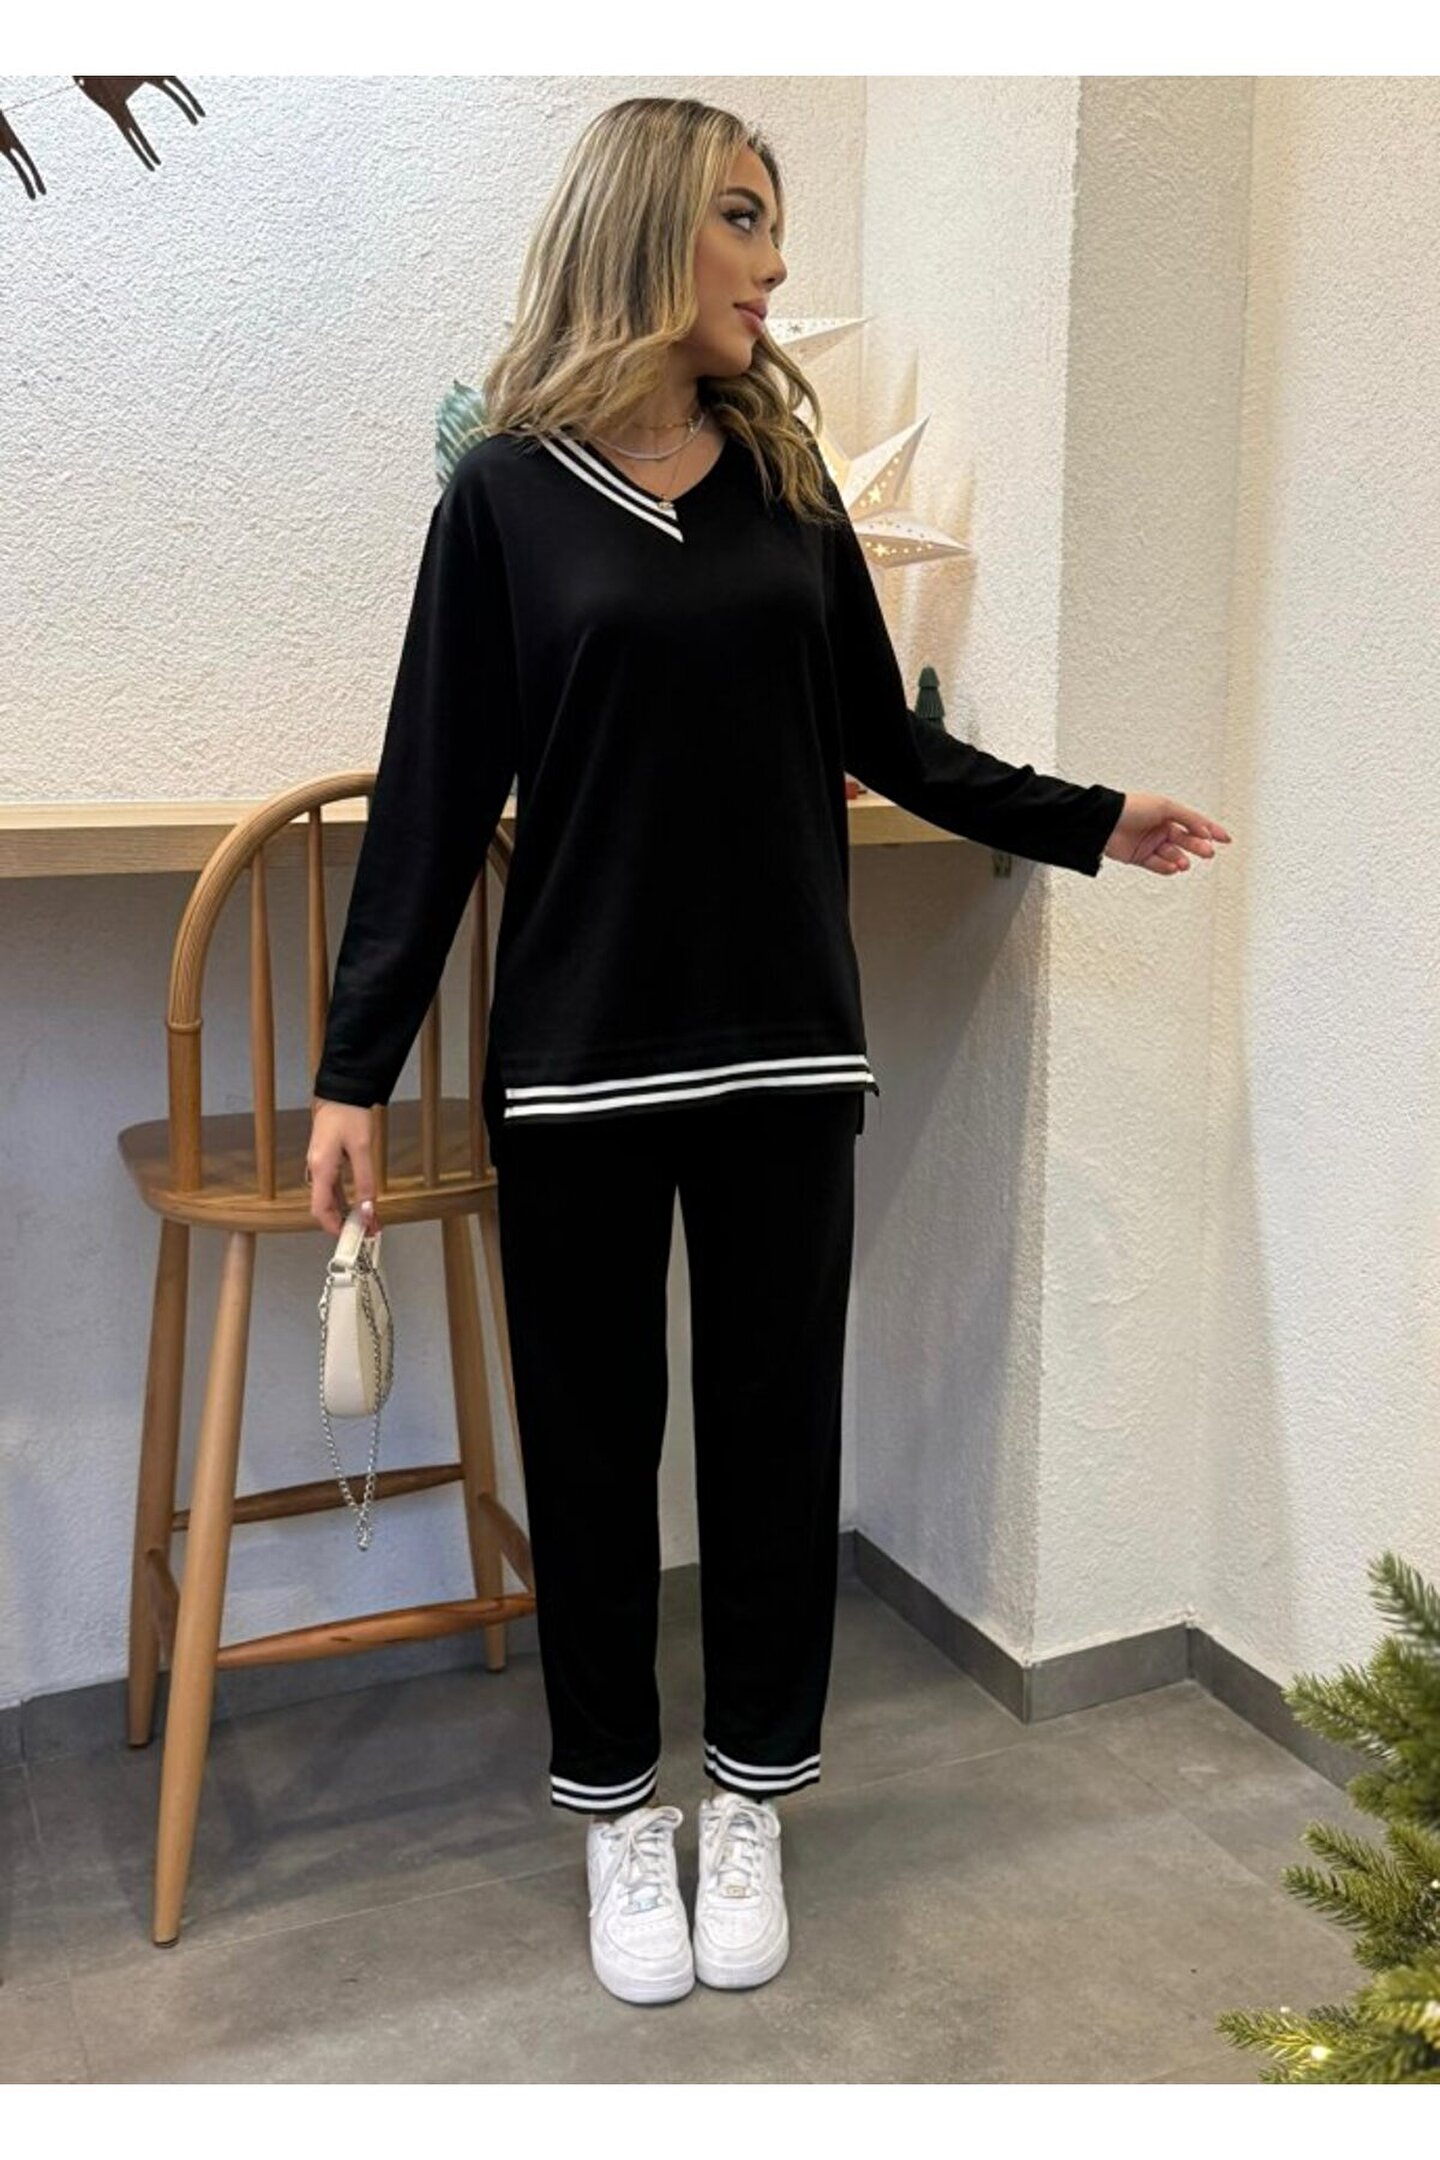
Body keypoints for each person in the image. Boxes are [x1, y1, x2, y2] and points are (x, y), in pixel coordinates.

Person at [304, 95, 1231, 2010]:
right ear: (652, 225)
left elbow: (889, 743)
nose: (777, 261)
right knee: (592, 1449)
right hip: (578, 1061)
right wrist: (352, 1071)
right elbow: (431, 799)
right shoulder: (504, 500)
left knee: (774, 1436)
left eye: (776, 221)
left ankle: (749, 1802)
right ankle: (614, 1813)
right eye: (744, 217)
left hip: (789, 1052)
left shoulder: (791, 496)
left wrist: (1087, 818)